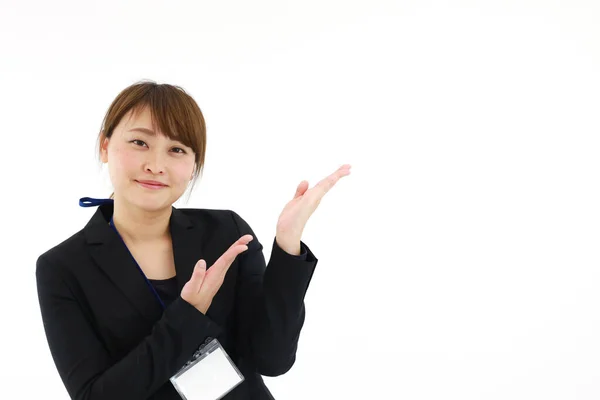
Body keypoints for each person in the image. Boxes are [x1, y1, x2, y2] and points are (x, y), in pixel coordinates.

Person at [35, 80, 351, 400]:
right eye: (139, 142)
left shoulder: (227, 232)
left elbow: (272, 359)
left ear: (193, 163)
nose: (156, 166)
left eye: (176, 149)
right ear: (105, 146)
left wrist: (287, 245)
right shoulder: (62, 268)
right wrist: (188, 314)